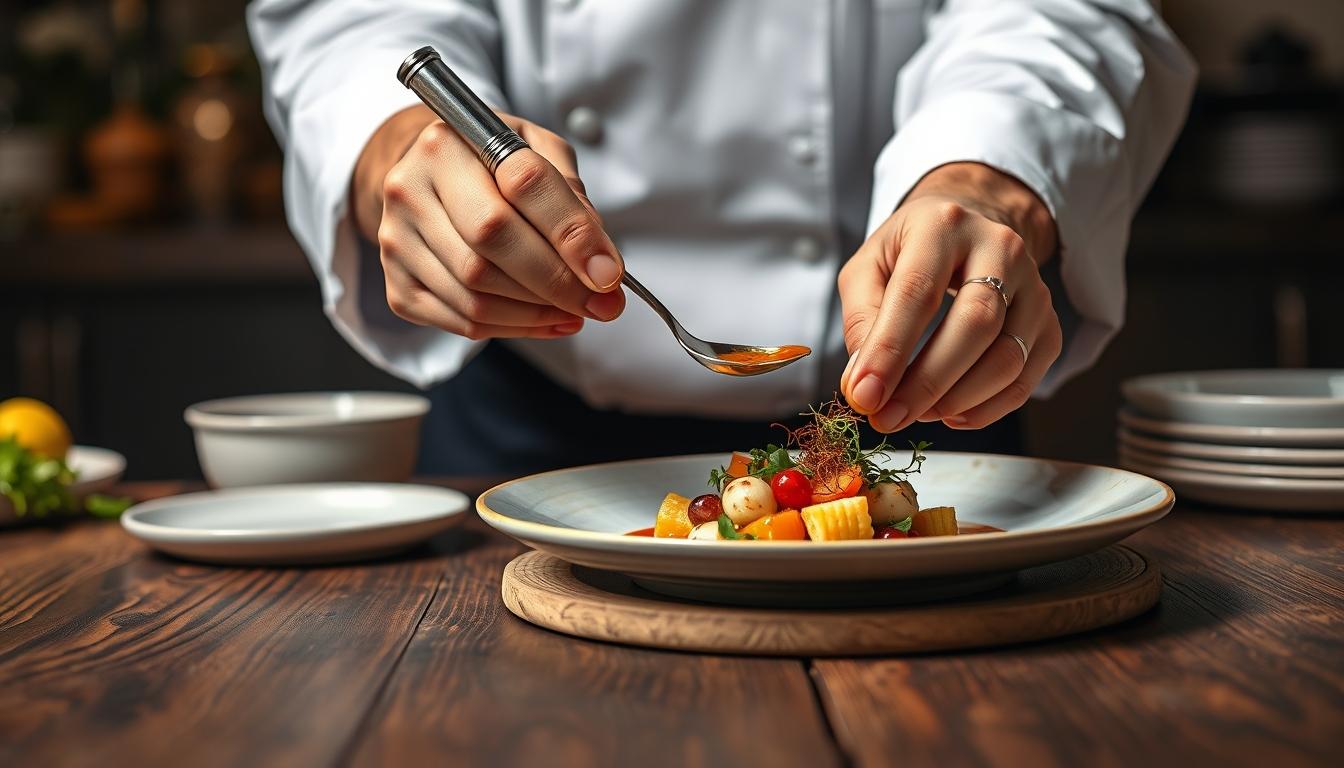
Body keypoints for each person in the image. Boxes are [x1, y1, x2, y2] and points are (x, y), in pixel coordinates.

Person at [247, 1, 1195, 475]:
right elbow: (345, 17)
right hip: (525, 437)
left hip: (924, 407)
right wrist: (399, 145)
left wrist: (990, 167)